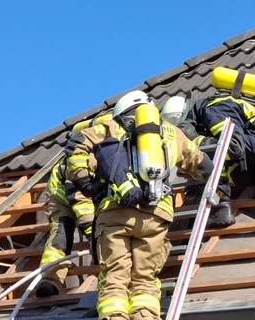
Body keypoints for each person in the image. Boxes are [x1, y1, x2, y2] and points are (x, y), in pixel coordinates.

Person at [66, 90, 215, 320]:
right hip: (156, 214)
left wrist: (88, 185)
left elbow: (75, 152)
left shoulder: (106, 128)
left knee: (115, 275)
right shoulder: (170, 131)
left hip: (115, 212)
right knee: (145, 278)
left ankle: (114, 316)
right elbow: (204, 166)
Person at [168, 93, 255, 228]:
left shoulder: (214, 106)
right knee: (234, 172)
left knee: (211, 149)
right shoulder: (211, 112)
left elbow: (233, 146)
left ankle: (220, 208)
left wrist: (195, 142)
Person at [35, 157, 95, 297]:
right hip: (60, 198)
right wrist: (92, 233)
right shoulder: (79, 163)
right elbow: (82, 203)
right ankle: (49, 281)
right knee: (60, 238)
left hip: (86, 195)